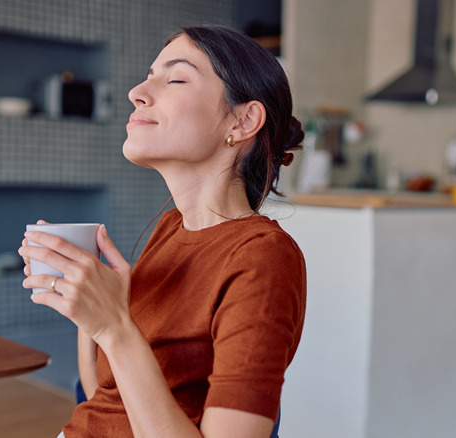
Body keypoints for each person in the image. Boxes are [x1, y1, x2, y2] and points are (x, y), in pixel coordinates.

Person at [19, 25, 306, 438]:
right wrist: (85, 298)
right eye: (148, 74)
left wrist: (114, 326)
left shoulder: (263, 256)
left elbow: (119, 344)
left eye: (174, 78)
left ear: (244, 120)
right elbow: (105, 392)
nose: (137, 91)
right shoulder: (172, 228)